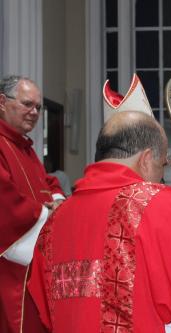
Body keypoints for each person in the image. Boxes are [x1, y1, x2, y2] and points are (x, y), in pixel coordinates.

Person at [28, 74, 171, 332]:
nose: (161, 177)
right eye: (162, 166)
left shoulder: (55, 220)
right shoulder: (152, 203)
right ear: (147, 158)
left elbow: (42, 308)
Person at [0, 75, 65, 333]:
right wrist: (46, 213)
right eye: (27, 104)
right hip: (12, 268)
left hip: (38, 262)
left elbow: (46, 181)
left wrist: (58, 200)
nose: (35, 112)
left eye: (38, 107)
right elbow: (6, 202)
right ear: (2, 102)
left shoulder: (24, 146)